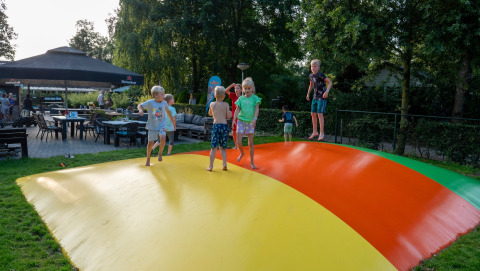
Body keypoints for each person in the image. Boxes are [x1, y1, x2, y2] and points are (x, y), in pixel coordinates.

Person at [137, 86, 174, 166]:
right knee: (150, 143)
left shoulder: (164, 103)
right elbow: (140, 105)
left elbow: (168, 111)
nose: (164, 96)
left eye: (164, 94)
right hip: (152, 126)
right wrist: (140, 110)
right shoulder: (150, 102)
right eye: (162, 94)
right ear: (155, 95)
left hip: (161, 125)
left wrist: (171, 119)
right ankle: (148, 159)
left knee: (163, 137)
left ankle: (160, 153)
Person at [233, 78, 261, 169]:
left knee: (250, 143)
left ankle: (252, 162)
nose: (247, 90)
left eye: (249, 88)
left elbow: (257, 109)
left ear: (252, 88)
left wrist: (255, 119)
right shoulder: (240, 99)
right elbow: (237, 109)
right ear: (243, 89)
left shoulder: (255, 98)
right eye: (245, 88)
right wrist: (234, 119)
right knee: (238, 142)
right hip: (241, 121)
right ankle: (242, 152)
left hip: (250, 122)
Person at [207, 86, 232, 171]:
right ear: (224, 96)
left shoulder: (212, 104)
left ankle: (211, 166)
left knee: (213, 147)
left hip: (216, 126)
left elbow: (210, 114)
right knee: (223, 147)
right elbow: (228, 116)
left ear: (215, 95)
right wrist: (231, 113)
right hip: (224, 126)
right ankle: (224, 164)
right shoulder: (226, 104)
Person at [306, 59, 332, 141]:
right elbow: (311, 85)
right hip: (315, 97)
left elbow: (330, 82)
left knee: (319, 114)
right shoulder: (311, 76)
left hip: (322, 96)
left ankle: (321, 133)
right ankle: (315, 132)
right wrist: (308, 94)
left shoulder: (321, 75)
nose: (313, 68)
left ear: (318, 67)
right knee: (313, 114)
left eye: (315, 66)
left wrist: (327, 92)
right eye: (311, 66)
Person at [225, 83, 242, 149]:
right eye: (235, 88)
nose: (236, 89)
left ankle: (239, 145)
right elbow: (226, 91)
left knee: (239, 132)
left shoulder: (243, 98)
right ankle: (236, 145)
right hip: (234, 117)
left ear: (241, 90)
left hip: (240, 117)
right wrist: (232, 85)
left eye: (238, 88)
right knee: (234, 132)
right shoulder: (233, 96)